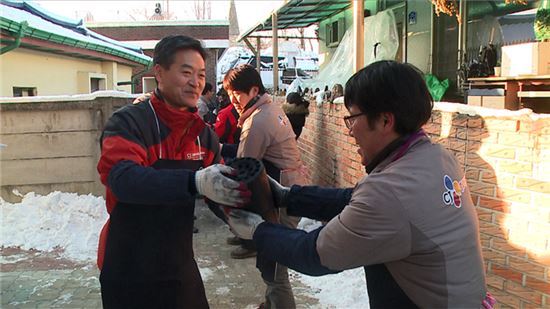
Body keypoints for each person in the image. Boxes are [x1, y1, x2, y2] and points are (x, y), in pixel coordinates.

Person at [224, 60, 494, 308]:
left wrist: (257, 230)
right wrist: (288, 197)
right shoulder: (438, 158)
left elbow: (313, 253)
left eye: (352, 118)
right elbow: (354, 199)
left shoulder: (390, 191)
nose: (349, 130)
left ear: (386, 120)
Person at [96, 35, 250, 309]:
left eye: (201, 74)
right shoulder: (129, 123)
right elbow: (124, 180)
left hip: (177, 264)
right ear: (159, 73)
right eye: (186, 72)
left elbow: (219, 190)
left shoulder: (203, 135)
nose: (195, 82)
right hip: (128, 267)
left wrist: (257, 208)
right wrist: (195, 181)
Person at [223, 64, 308, 308]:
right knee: (272, 253)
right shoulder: (270, 108)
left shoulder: (257, 121)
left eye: (237, 94)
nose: (233, 100)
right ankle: (272, 301)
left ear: (253, 90)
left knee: (275, 259)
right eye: (230, 94)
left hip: (281, 194)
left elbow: (244, 165)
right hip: (290, 187)